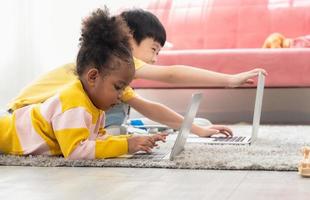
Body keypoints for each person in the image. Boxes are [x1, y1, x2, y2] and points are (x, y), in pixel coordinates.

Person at [8, 9, 266, 137]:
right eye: (153, 49)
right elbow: (173, 75)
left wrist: (197, 130)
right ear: (130, 38)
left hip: (35, 117)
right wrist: (230, 80)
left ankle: (119, 131)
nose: (154, 59)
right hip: (25, 118)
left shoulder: (113, 75)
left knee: (121, 105)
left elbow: (148, 106)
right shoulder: (117, 58)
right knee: (118, 111)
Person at [0, 8, 167, 159]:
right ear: (93, 77)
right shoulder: (73, 102)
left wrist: (133, 140)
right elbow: (76, 151)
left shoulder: (97, 108)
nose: (121, 94)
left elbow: (97, 140)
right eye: (118, 87)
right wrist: (126, 145)